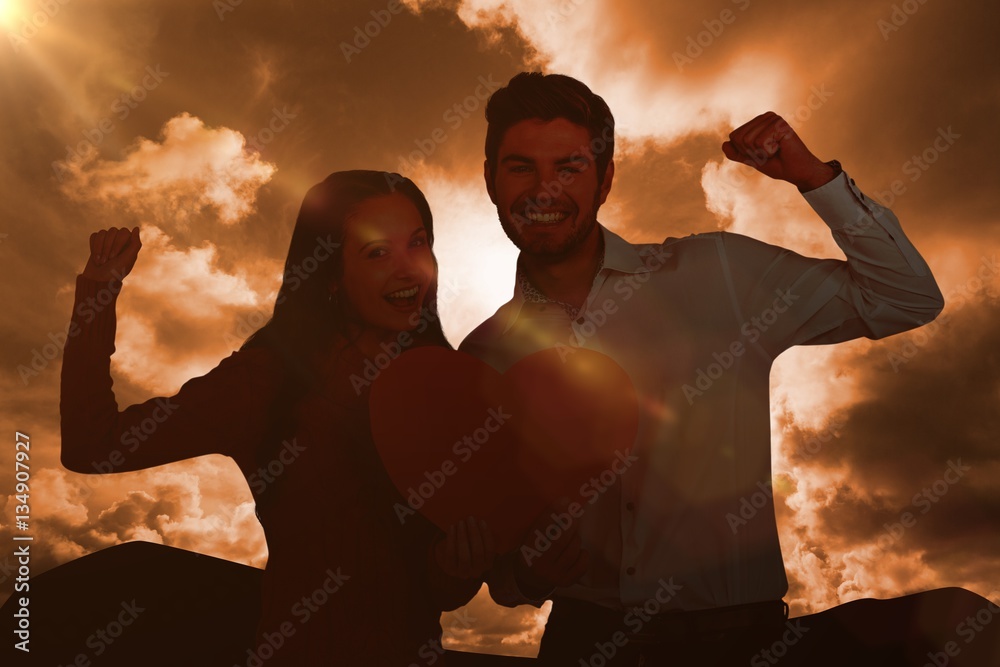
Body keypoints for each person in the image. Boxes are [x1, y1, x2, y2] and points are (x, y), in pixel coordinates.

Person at [459, 72, 999, 665]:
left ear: (605, 178)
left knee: (963, 622)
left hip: (744, 641)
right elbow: (502, 566)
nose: (544, 190)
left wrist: (815, 178)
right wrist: (527, 575)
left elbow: (906, 297)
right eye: (520, 168)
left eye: (568, 167)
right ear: (490, 179)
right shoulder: (483, 356)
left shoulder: (716, 271)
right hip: (585, 641)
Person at [60, 170, 494, 666]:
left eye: (417, 244)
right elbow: (91, 445)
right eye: (377, 252)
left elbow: (436, 589)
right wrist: (98, 293)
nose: (409, 270)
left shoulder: (442, 386)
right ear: (330, 275)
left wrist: (459, 565)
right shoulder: (266, 381)